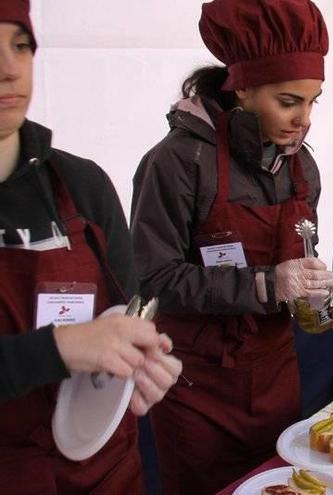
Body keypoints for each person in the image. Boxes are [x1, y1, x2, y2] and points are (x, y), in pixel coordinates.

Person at [130, 1, 333, 493]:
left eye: (314, 102)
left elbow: (303, 256)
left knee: (280, 483)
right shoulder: (176, 163)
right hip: (195, 384)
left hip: (275, 372)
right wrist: (268, 284)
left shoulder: (300, 168)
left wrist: (319, 294)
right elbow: (152, 278)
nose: (303, 120)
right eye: (289, 101)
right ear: (242, 87)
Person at [0, 1, 181, 492]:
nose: (8, 69)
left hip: (104, 470)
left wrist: (143, 362)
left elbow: (132, 308)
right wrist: (57, 348)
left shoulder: (81, 184)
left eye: (20, 46)